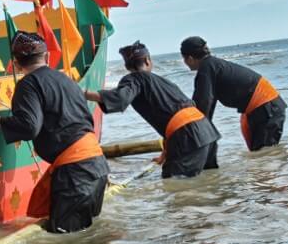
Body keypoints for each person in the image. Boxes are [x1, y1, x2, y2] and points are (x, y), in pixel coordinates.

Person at [0, 32, 108, 233]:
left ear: (16, 64)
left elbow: (29, 126)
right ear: (47, 57)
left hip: (76, 174)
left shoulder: (28, 84)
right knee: (88, 238)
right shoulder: (67, 80)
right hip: (98, 166)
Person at [86, 42, 221, 179]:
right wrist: (165, 154)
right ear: (147, 60)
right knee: (209, 179)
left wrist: (84, 93)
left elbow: (120, 98)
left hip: (188, 137)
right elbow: (178, 116)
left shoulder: (134, 78)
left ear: (127, 66)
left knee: (176, 185)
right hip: (206, 131)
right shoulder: (164, 82)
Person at [180, 36, 286, 154]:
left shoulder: (207, 69)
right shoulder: (212, 65)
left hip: (266, 108)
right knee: (263, 155)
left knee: (266, 156)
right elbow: (207, 106)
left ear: (189, 58)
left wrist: (193, 134)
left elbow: (203, 104)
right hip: (266, 107)